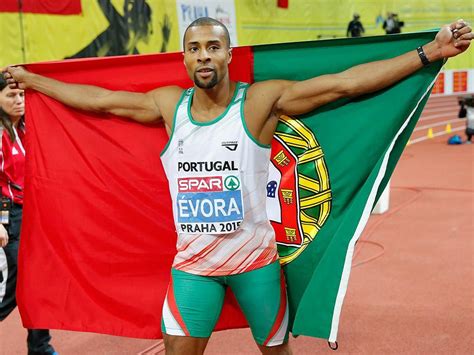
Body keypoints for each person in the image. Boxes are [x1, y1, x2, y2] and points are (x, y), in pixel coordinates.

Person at [3, 17, 472, 355]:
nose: (203, 55)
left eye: (212, 46)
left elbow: (344, 85)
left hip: (257, 266)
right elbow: (102, 102)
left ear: (227, 53)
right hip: (193, 269)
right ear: (184, 57)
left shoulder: (260, 102)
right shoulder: (170, 106)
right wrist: (35, 81)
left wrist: (429, 53)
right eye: (194, 48)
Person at [0, 77, 57, 355]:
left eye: (22, 95)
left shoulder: (25, 127)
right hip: (8, 216)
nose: (19, 100)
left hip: (32, 213)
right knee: (13, 285)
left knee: (38, 281)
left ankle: (40, 347)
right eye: (11, 95)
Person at [66, 0, 171, 58]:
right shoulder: (123, 29)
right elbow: (105, 5)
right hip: (75, 64)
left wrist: (165, 43)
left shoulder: (135, 52)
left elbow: (153, 68)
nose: (152, 30)